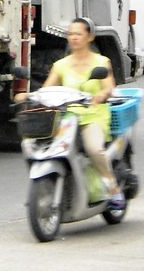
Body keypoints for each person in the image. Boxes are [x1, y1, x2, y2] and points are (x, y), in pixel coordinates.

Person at [38, 17, 124, 209]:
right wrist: (30, 96)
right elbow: (47, 89)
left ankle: (112, 187)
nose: (74, 38)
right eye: (70, 34)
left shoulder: (102, 62)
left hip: (93, 114)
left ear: (89, 37)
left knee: (93, 148)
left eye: (78, 34)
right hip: (68, 117)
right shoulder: (61, 65)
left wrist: (100, 96)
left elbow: (109, 87)